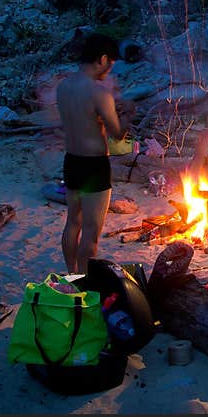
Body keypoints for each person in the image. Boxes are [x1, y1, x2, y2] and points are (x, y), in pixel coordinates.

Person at [57, 32, 132, 274]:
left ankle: (71, 275)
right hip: (94, 165)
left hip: (71, 161)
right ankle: (84, 280)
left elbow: (81, 118)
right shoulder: (99, 92)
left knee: (72, 222)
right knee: (91, 230)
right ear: (102, 59)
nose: (109, 70)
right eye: (110, 64)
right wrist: (129, 113)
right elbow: (118, 133)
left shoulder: (64, 86)